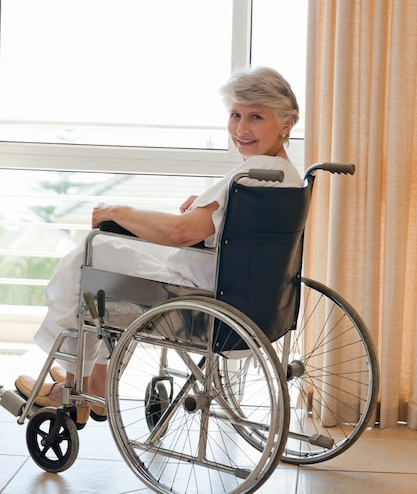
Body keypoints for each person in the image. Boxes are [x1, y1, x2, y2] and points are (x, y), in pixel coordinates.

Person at [15, 66, 301, 426]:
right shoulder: (284, 176)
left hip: (206, 293)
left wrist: (121, 210)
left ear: (286, 124)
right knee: (109, 260)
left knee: (91, 253)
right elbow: (247, 230)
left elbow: (180, 233)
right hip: (254, 298)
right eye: (235, 115)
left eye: (256, 117)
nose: (241, 129)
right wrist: (221, 209)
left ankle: (75, 386)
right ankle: (97, 381)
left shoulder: (254, 170)